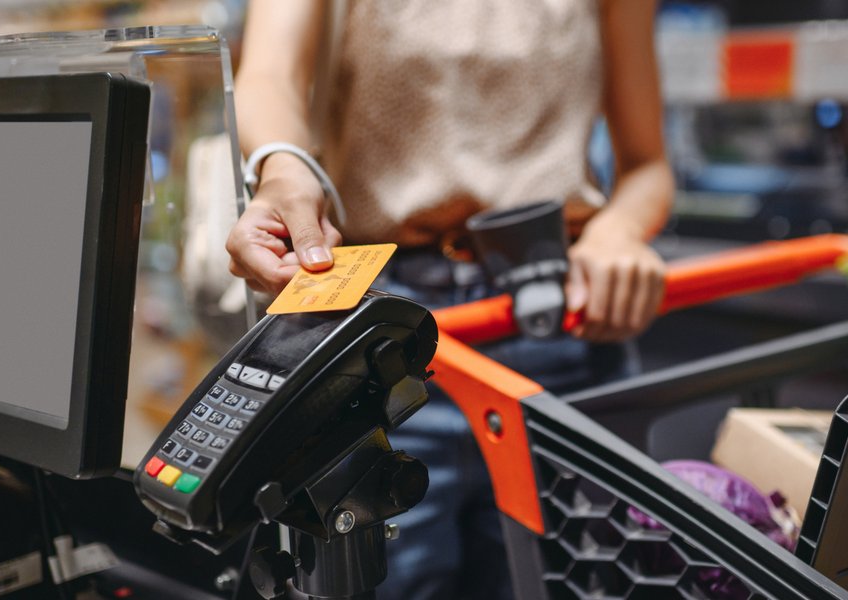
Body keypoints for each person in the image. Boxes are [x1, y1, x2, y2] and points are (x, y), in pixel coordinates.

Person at [227, 1, 673, 597]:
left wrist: (617, 231)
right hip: (381, 333)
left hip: (562, 328)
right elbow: (269, 75)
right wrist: (282, 169)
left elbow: (648, 167)